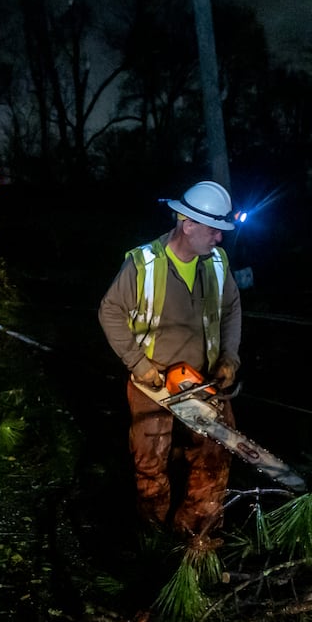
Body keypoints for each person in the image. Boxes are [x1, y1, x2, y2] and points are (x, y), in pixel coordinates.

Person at [98, 180, 243, 540]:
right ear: (188, 224)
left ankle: (198, 537)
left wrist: (230, 356)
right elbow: (110, 311)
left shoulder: (218, 264)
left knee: (215, 456)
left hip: (203, 380)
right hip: (153, 381)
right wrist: (137, 363)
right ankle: (153, 537)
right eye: (213, 230)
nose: (219, 239)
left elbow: (232, 309)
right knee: (151, 464)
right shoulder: (144, 264)